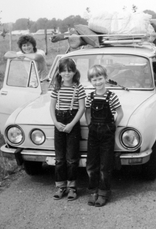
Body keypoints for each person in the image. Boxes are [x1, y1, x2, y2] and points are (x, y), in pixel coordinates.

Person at [85, 64, 124, 207]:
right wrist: (90, 125)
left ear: (106, 79)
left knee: (105, 164)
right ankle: (93, 191)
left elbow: (120, 114)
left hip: (107, 133)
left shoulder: (111, 97)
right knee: (91, 164)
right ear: (91, 82)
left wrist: (113, 127)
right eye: (94, 80)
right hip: (93, 133)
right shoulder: (90, 96)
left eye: (100, 78)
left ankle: (103, 192)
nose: (98, 82)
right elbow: (87, 112)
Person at [50, 58, 86, 201]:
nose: (66, 74)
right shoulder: (57, 87)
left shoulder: (78, 88)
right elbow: (52, 107)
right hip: (59, 122)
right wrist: (56, 122)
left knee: (72, 158)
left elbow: (82, 108)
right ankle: (60, 186)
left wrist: (71, 124)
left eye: (69, 71)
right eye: (63, 71)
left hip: (73, 123)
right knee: (59, 158)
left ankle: (72, 187)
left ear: (74, 72)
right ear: (59, 72)